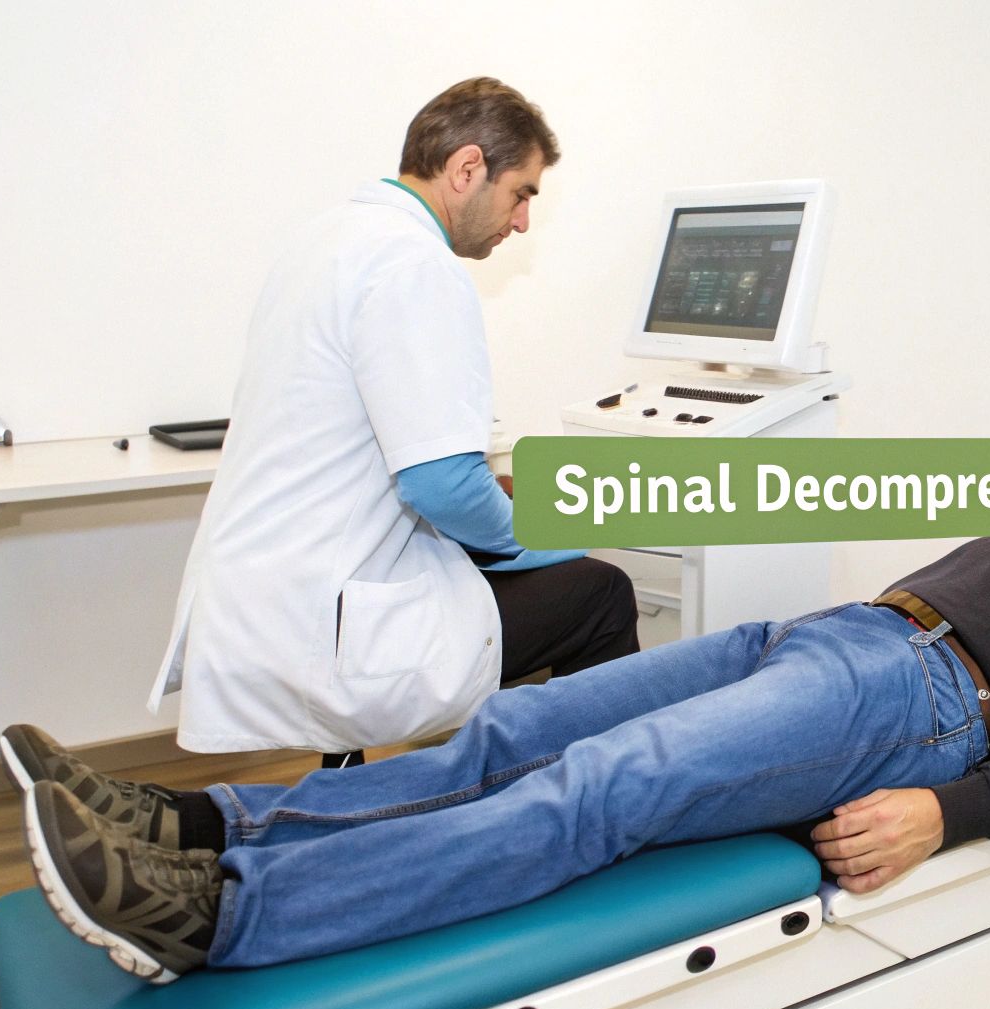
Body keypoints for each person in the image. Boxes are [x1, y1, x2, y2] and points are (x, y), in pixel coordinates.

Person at [12, 517, 990, 984]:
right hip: (833, 640)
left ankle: (222, 921)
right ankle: (211, 827)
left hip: (917, 705)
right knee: (516, 722)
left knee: (593, 792)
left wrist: (947, 814)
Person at [148, 78, 638, 758]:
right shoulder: (416, 264)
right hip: (330, 626)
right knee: (598, 594)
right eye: (521, 192)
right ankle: (589, 818)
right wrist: (544, 538)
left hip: (270, 600)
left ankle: (424, 808)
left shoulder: (328, 238)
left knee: (491, 573)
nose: (523, 220)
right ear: (467, 168)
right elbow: (442, 486)